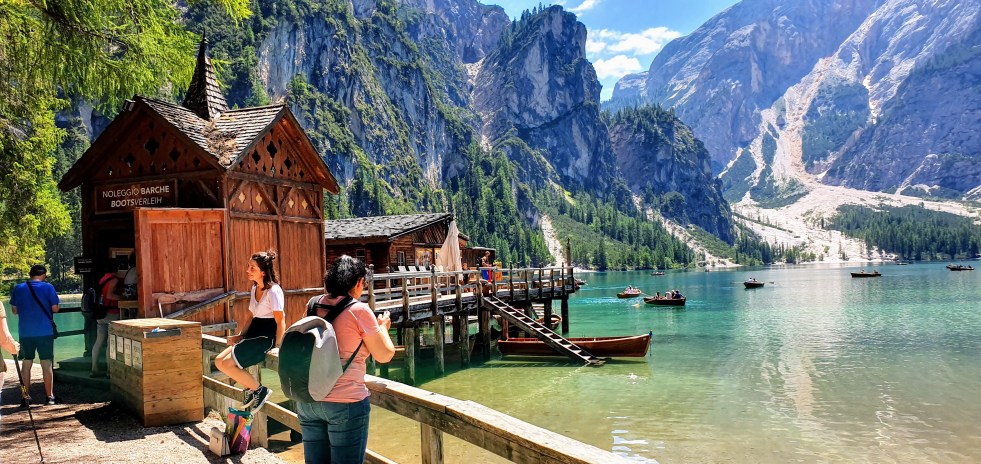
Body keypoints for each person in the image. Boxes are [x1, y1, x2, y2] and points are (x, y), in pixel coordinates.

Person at [298, 255, 395, 463]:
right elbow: (384, 355)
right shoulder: (358, 310)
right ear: (358, 282)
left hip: (309, 399)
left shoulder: (312, 305)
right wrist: (382, 328)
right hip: (345, 402)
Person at [215, 250, 284, 411]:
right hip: (252, 334)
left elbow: (280, 321)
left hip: (266, 338)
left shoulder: (274, 291)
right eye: (248, 266)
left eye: (252, 267)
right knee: (219, 361)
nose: (248, 270)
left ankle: (259, 390)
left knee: (227, 364)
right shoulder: (254, 288)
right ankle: (252, 388)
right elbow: (252, 316)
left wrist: (277, 346)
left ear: (263, 272)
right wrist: (241, 336)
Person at [10, 264, 60, 406]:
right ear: (43, 275)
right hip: (44, 332)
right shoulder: (48, 287)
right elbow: (55, 309)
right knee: (46, 363)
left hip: (25, 332)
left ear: (30, 274)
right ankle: (49, 397)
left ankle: (25, 397)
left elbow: (14, 311)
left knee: (26, 363)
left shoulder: (18, 288)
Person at [91, 261, 122, 377]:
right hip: (112, 313)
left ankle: (94, 368)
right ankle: (109, 371)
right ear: (116, 268)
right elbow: (110, 295)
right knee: (111, 342)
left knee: (98, 341)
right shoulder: (114, 280)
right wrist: (122, 297)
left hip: (101, 313)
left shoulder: (103, 278)